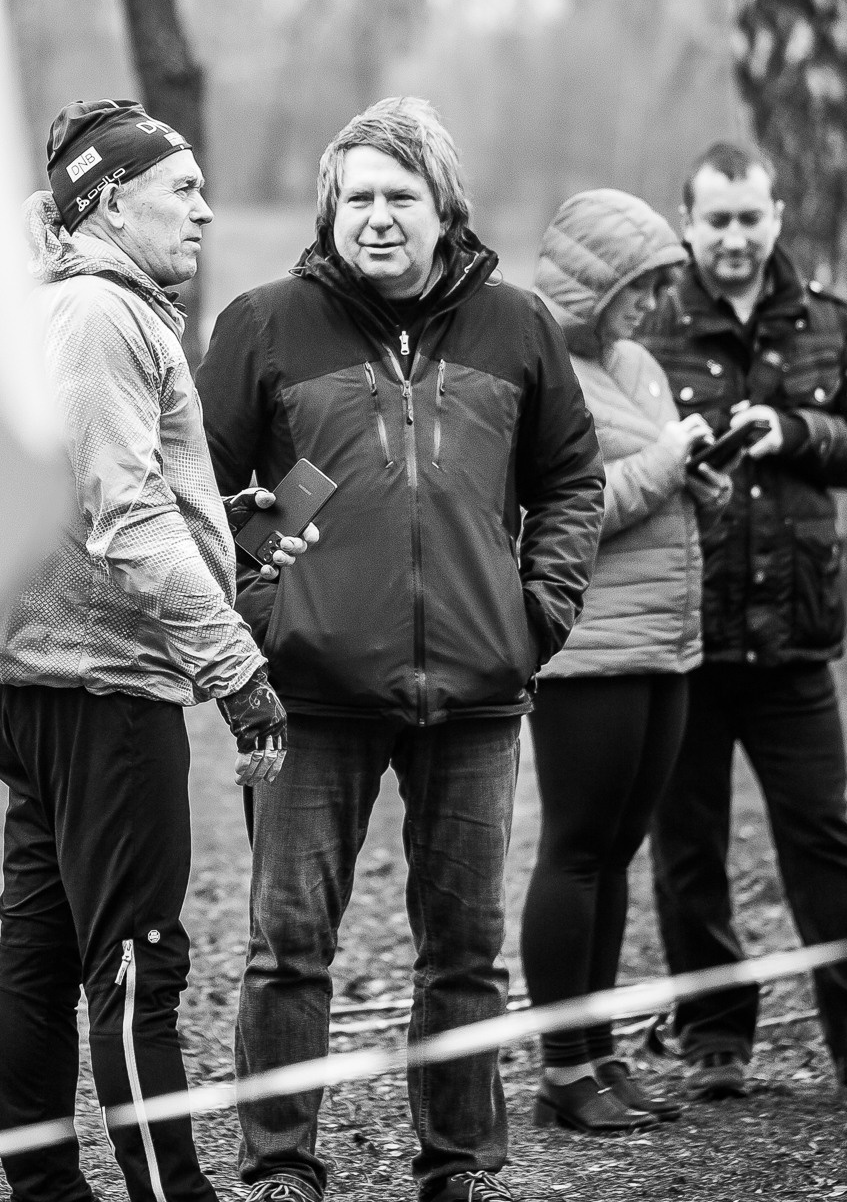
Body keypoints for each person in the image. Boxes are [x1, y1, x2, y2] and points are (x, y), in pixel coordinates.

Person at [199, 97, 607, 1202]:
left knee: (465, 952)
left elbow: (573, 479)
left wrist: (540, 613)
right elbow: (196, 495)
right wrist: (258, 601)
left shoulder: (519, 329)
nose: (376, 218)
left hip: (478, 691)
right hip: (309, 697)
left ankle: (461, 1164)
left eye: (399, 197)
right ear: (330, 210)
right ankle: (282, 1168)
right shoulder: (262, 326)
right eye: (357, 198)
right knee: (289, 946)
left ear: (444, 211)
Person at [0, 97, 311, 1202]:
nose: (207, 210)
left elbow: (102, 497)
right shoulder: (103, 316)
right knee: (135, 967)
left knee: (40, 963)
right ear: (112, 202)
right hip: (105, 695)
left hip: (51, 686)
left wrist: (224, 509)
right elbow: (124, 518)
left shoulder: (72, 308)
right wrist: (238, 670)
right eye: (184, 188)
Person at [638, 139, 847, 1112]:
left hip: (794, 638)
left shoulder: (828, 322)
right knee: (686, 846)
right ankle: (713, 1038)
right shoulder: (644, 331)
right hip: (686, 634)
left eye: (751, 217)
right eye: (716, 219)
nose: (734, 237)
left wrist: (797, 432)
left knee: (822, 840)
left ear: (777, 214)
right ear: (687, 222)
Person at [521, 189, 733, 1135]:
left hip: (665, 646)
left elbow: (643, 483)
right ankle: (561, 1067)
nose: (650, 305)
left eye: (658, 286)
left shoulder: (637, 366)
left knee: (618, 854)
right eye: (638, 287)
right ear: (592, 282)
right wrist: (665, 467)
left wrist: (696, 477)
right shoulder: (538, 369)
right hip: (588, 651)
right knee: (575, 851)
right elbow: (551, 515)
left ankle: (602, 1054)